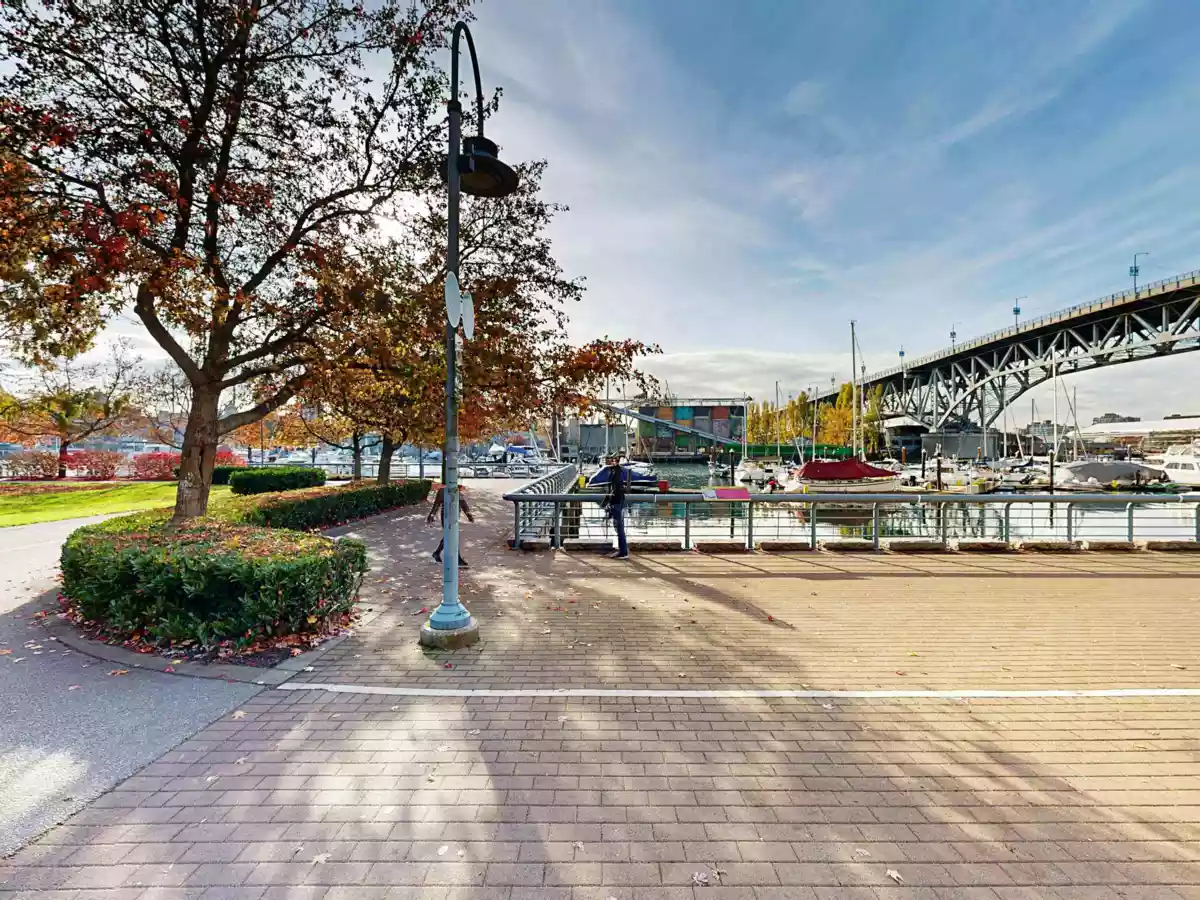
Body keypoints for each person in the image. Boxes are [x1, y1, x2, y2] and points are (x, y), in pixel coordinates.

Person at [427, 483, 475, 568]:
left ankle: (437, 553)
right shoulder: (442, 491)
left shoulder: (456, 490)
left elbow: (463, 504)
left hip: (455, 517)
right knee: (452, 536)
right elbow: (436, 504)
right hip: (446, 517)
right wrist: (431, 515)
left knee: (449, 536)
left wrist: (469, 515)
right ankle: (457, 559)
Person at [603, 455, 629, 560]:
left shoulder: (617, 472)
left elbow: (616, 489)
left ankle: (623, 552)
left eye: (614, 460)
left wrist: (610, 500)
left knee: (619, 528)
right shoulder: (616, 471)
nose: (610, 461)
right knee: (619, 528)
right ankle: (622, 551)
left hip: (617, 502)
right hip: (618, 501)